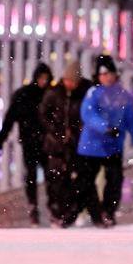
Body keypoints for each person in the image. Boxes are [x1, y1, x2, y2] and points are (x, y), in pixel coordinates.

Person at [67, 54, 133, 228]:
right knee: (85, 183)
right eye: (103, 73)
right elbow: (88, 115)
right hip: (91, 147)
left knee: (114, 180)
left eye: (110, 73)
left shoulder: (122, 96)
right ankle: (71, 213)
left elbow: (131, 120)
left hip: (113, 147)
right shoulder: (93, 93)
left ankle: (107, 212)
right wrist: (105, 127)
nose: (107, 77)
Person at [0, 62, 53, 226]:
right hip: (31, 142)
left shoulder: (49, 94)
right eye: (41, 78)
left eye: (46, 78)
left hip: (46, 142)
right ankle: (35, 206)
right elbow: (9, 119)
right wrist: (1, 140)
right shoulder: (25, 95)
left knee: (48, 175)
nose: (44, 81)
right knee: (33, 175)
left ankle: (49, 206)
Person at [39, 58, 92, 224]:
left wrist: (77, 130)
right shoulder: (54, 93)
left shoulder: (84, 93)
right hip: (55, 144)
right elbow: (43, 114)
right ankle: (57, 211)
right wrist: (57, 131)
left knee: (72, 180)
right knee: (56, 179)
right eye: (68, 81)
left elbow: (87, 115)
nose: (70, 84)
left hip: (75, 144)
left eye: (73, 82)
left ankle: (67, 213)